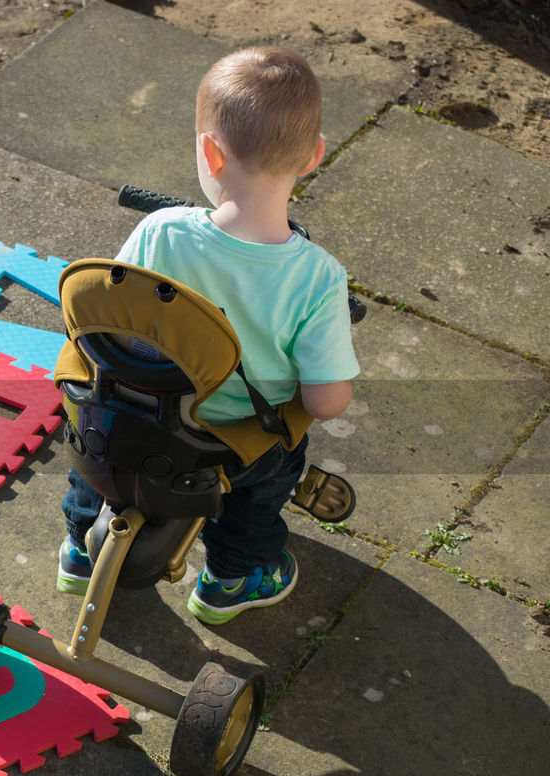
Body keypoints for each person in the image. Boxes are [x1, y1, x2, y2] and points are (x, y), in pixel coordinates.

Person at [58, 45, 360, 625]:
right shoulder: (317, 277)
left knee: (94, 456)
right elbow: (326, 400)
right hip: (224, 447)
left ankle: (79, 548)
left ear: (209, 153)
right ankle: (233, 578)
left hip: (127, 418)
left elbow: (110, 317)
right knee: (268, 472)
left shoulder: (160, 230)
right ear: (314, 156)